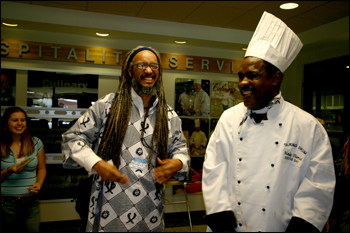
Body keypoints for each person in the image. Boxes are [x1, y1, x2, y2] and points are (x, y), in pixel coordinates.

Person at [202, 12, 335, 232]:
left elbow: (318, 185)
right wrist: (222, 221)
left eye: (252, 75)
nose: (243, 83)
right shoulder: (229, 119)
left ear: (275, 79)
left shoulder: (307, 127)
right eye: (240, 76)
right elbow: (214, 168)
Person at [61, 45, 190, 232]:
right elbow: (72, 138)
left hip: (150, 211)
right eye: (142, 65)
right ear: (129, 71)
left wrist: (178, 162)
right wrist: (96, 163)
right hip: (108, 210)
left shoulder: (168, 116)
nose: (148, 70)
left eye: (154, 66)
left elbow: (181, 149)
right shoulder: (107, 106)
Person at [1, 106, 47, 232]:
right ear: (6, 123)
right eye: (15, 120)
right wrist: (9, 170)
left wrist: (39, 183)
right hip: (5, 204)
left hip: (31, 203)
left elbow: (42, 168)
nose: (20, 124)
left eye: (22, 120)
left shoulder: (35, 143)